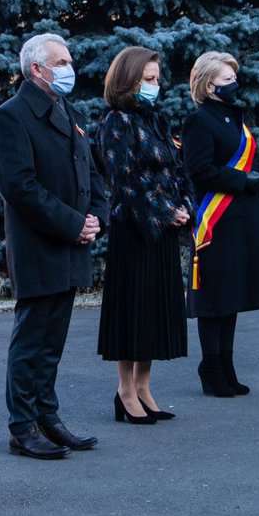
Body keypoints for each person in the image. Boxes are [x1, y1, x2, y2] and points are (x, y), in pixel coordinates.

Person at [0, 33, 109, 458]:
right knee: (32, 338)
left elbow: (92, 172)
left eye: (68, 60)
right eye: (60, 62)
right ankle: (23, 425)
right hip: (40, 244)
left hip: (72, 242)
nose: (68, 68)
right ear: (36, 69)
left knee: (53, 338)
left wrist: (96, 217)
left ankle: (47, 415)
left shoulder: (65, 108)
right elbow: (19, 187)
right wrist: (74, 224)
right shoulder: (12, 116)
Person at [96, 47, 193, 424]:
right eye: (148, 79)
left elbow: (176, 170)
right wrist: (164, 211)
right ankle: (125, 390)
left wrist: (183, 205)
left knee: (155, 312)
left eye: (157, 78)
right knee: (133, 312)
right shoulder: (116, 121)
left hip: (163, 230)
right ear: (128, 82)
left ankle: (145, 387)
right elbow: (125, 181)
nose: (156, 85)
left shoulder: (156, 119)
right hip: (135, 230)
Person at [182, 52, 259, 397]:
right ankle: (211, 368)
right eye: (227, 80)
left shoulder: (235, 119)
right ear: (209, 85)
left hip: (243, 217)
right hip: (216, 220)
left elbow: (243, 162)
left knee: (233, 294)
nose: (234, 85)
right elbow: (200, 169)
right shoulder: (199, 121)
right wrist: (244, 180)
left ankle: (227, 366)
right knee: (216, 297)